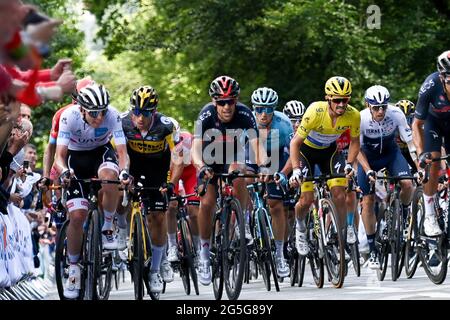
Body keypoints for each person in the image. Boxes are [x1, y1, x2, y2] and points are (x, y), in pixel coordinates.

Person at [54, 83, 130, 299]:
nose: (99, 117)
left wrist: (124, 171)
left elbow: (122, 152)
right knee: (77, 216)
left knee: (110, 177)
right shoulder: (69, 116)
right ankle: (74, 267)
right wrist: (64, 171)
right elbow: (60, 156)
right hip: (74, 158)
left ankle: (107, 227)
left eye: (103, 111)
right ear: (82, 109)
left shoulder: (113, 115)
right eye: (94, 112)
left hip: (101, 153)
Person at [192, 75, 264, 286]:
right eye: (221, 102)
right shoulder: (205, 114)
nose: (226, 107)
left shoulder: (244, 114)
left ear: (236, 100)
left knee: (239, 172)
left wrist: (264, 167)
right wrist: (201, 167)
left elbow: (257, 146)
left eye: (230, 101)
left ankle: (242, 221)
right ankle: (204, 254)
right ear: (214, 102)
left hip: (232, 158)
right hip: (208, 160)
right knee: (206, 203)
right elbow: (195, 149)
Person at [120, 85, 182, 293]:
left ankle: (157, 266)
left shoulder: (167, 126)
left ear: (153, 111)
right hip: (134, 165)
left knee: (157, 216)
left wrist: (171, 183)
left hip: (158, 168)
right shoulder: (122, 122)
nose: (140, 117)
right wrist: (124, 174)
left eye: (145, 113)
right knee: (121, 195)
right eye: (136, 112)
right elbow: (117, 153)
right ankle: (124, 235)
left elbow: (179, 158)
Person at [289, 76, 360, 256]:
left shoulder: (354, 115)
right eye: (337, 100)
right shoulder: (315, 111)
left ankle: (340, 234)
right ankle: (300, 227)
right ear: (328, 98)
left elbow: (355, 141)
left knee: (339, 193)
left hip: (329, 152)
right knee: (306, 199)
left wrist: (350, 164)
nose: (342, 104)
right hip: (306, 152)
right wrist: (296, 170)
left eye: (345, 100)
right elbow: (295, 143)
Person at [357, 85, 417, 268]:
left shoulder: (396, 113)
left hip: (391, 154)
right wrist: (367, 170)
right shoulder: (361, 118)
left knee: (408, 184)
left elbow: (411, 143)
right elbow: (357, 150)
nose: (381, 111)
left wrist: (419, 166)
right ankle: (372, 248)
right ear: (368, 105)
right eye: (376, 107)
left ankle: (405, 213)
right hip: (368, 157)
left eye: (383, 106)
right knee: (367, 201)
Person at [248, 87, 293, 278]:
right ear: (254, 108)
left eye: (268, 109)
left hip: (277, 153)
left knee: (276, 205)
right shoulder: (248, 121)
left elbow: (293, 154)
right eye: (259, 109)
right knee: (245, 181)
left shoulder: (284, 124)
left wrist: (283, 173)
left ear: (274, 109)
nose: (263, 114)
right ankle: (243, 223)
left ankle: (280, 253)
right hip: (251, 152)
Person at [412, 50, 450, 237]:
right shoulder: (431, 85)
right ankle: (429, 215)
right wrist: (421, 153)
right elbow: (416, 124)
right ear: (442, 78)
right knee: (433, 163)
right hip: (433, 124)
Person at [166, 128, 201, 263]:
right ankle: (172, 246)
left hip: (190, 172)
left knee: (194, 212)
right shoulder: (160, 142)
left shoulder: (186, 138)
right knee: (171, 206)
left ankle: (198, 249)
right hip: (171, 171)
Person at [395, 100, 418, 174]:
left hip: (409, 151)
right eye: (402, 119)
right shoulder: (391, 126)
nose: (406, 123)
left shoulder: (416, 125)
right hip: (397, 152)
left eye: (409, 118)